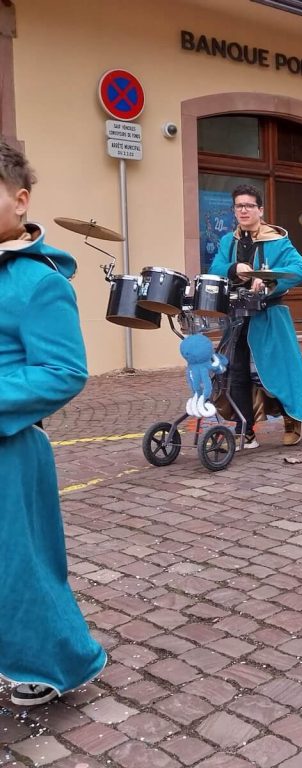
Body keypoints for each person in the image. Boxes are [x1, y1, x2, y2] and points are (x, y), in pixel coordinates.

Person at [0, 140, 106, 706]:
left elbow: (63, 371)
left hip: (9, 449)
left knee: (20, 564)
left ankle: (50, 660)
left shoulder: (37, 280)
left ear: (20, 201)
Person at [210, 184, 302, 447]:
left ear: (260, 210)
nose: (243, 210)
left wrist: (268, 282)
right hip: (237, 315)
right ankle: (244, 428)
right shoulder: (228, 241)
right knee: (236, 371)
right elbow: (215, 268)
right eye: (238, 206)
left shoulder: (278, 240)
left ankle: (293, 419)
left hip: (269, 316)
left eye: (249, 205)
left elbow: (301, 270)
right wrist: (235, 267)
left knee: (278, 371)